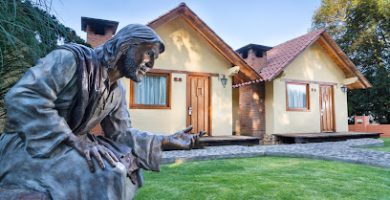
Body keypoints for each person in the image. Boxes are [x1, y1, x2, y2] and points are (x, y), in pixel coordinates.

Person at [0, 24, 203, 200]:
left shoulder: (117, 91)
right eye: (149, 52)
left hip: (72, 147)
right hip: (30, 146)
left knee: (120, 166)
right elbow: (24, 96)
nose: (151, 64)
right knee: (106, 173)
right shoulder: (71, 60)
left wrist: (165, 141)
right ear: (127, 45)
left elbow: (121, 134)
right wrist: (74, 140)